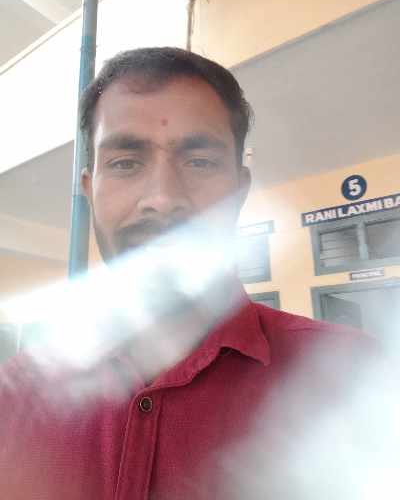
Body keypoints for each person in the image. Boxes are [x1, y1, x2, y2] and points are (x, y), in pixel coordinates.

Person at [0, 48, 378, 500]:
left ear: (240, 190)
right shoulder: (15, 397)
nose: (162, 198)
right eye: (125, 162)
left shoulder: (362, 380)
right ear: (89, 190)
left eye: (199, 161)